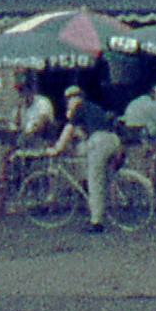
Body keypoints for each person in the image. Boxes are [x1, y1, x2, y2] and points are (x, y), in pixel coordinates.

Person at [49, 84, 123, 231]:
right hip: (114, 140)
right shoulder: (93, 107)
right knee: (104, 177)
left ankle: (96, 222)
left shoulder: (79, 108)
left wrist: (57, 148)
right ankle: (107, 206)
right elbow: (83, 134)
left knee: (94, 180)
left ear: (71, 99)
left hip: (99, 141)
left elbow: (68, 130)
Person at [18, 77, 59, 143]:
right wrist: (18, 109)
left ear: (31, 91)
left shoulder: (42, 102)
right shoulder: (23, 107)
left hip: (42, 137)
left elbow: (42, 123)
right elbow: (19, 125)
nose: (22, 93)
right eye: (20, 91)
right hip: (27, 138)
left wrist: (28, 133)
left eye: (23, 90)